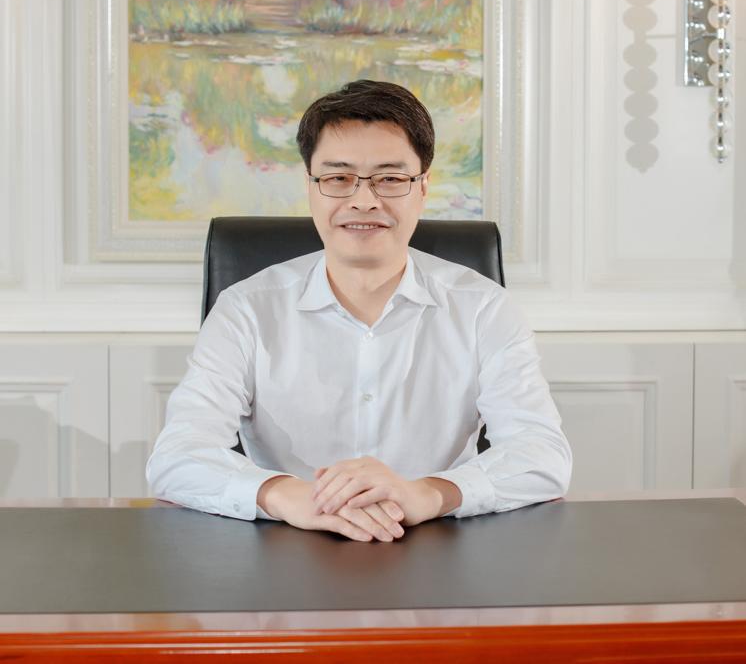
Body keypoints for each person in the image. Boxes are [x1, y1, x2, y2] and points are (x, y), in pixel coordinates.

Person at [146, 79, 572, 542]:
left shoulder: (483, 308)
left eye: (390, 178)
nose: (364, 200)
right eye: (338, 178)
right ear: (310, 186)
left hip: (437, 547)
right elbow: (178, 456)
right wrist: (288, 496)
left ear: (423, 187)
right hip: (287, 546)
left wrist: (427, 494)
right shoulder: (246, 310)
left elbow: (542, 454)